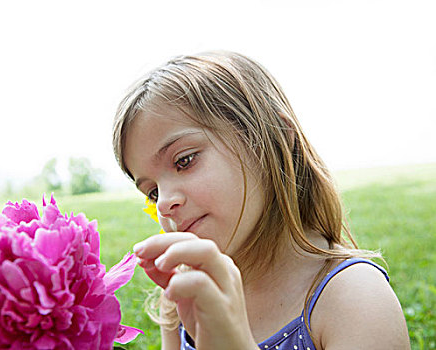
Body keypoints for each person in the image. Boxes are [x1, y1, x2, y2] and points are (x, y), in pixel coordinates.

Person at [112, 51, 410, 350]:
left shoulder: (354, 297)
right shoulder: (183, 297)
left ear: (277, 137)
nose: (163, 203)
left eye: (184, 160)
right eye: (152, 191)